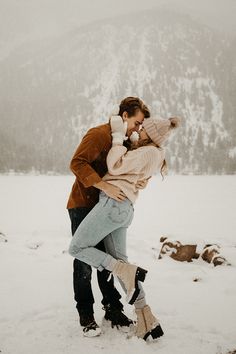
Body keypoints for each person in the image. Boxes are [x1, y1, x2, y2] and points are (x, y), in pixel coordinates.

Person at [68, 113, 181, 340]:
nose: (140, 129)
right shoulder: (151, 152)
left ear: (151, 134)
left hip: (112, 205)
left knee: (77, 248)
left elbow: (115, 165)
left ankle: (121, 273)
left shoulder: (147, 151)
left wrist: (119, 138)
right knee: (122, 263)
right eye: (139, 124)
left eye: (144, 127)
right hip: (122, 207)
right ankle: (146, 318)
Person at [67, 97, 151, 336]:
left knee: (107, 259)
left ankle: (112, 307)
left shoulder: (123, 141)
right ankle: (86, 314)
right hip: (83, 204)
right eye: (137, 122)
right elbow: (77, 163)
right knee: (84, 260)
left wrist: (137, 181)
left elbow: (124, 172)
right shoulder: (99, 134)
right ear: (125, 116)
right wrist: (104, 186)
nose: (138, 128)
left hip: (107, 208)